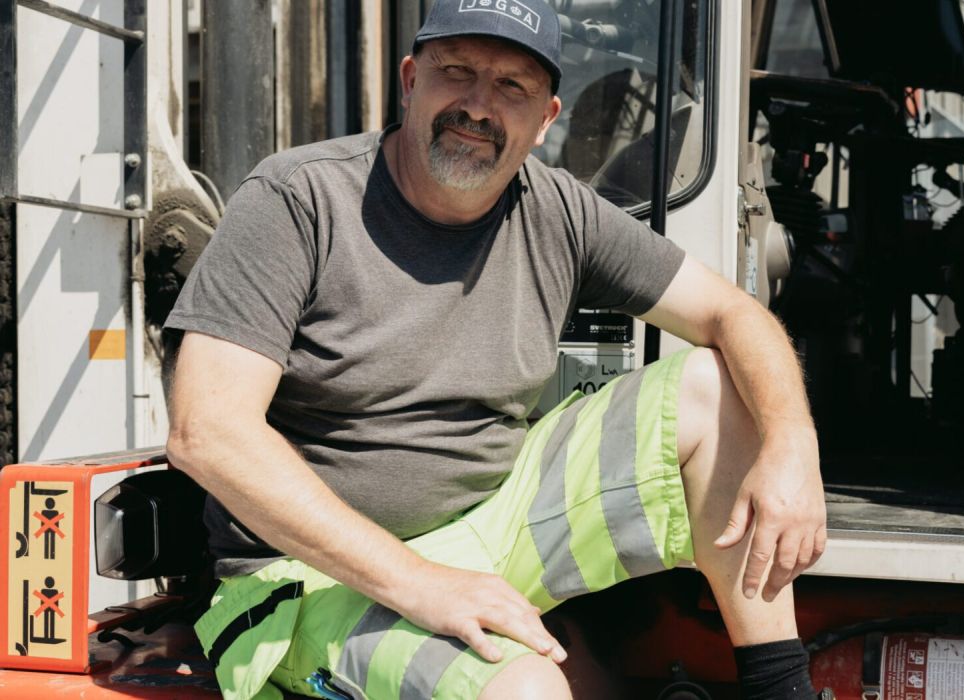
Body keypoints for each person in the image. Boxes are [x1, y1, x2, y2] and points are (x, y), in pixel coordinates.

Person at [163, 1, 826, 698]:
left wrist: (793, 444)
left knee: (717, 386)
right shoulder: (299, 198)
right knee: (524, 691)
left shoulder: (557, 209)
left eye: (513, 86)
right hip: (305, 579)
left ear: (546, 120)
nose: (479, 106)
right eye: (458, 72)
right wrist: (418, 582)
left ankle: (778, 688)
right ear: (411, 80)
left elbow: (733, 312)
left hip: (486, 526)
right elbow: (208, 431)